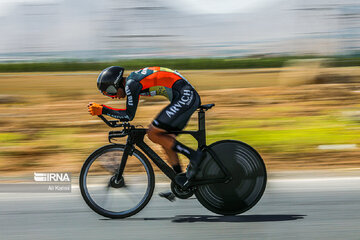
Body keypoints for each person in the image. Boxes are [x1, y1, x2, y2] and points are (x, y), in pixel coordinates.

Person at [88, 66, 203, 200]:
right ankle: (181, 182)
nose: (112, 96)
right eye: (107, 94)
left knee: (153, 133)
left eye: (111, 91)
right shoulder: (133, 82)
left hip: (186, 96)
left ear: (117, 83)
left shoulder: (131, 84)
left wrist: (103, 110)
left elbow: (128, 115)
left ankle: (195, 156)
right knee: (165, 140)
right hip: (184, 95)